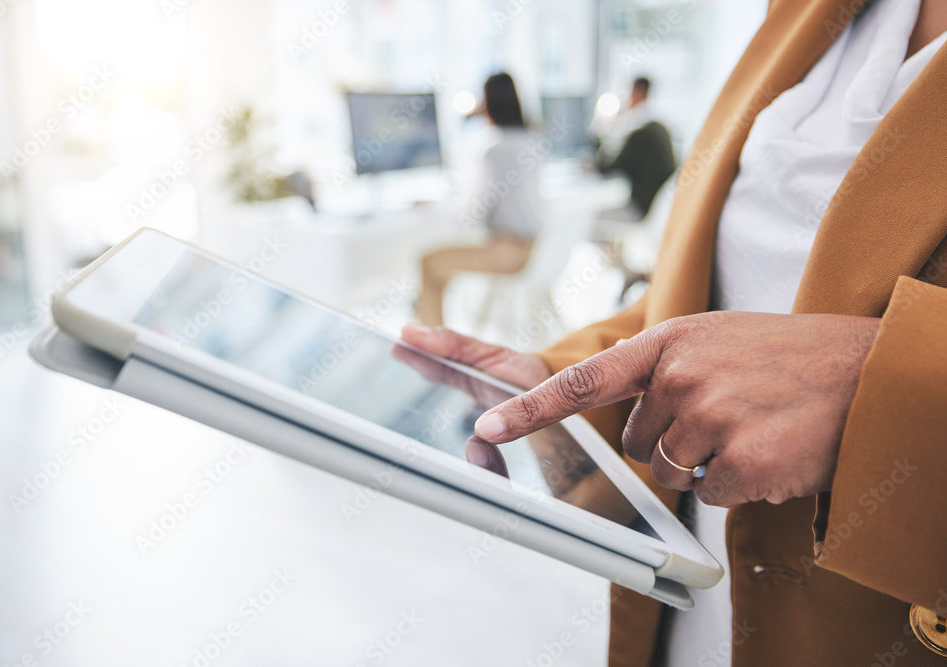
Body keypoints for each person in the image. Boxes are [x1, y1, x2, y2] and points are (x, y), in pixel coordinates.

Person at [403, 0, 947, 664]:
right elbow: (716, 288)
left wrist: (883, 383)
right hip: (696, 615)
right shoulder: (811, 13)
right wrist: (569, 382)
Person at [416, 73, 544, 327]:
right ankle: (438, 334)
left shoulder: (493, 150)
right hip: (535, 248)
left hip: (509, 252)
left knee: (429, 263)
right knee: (442, 268)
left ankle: (433, 346)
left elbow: (469, 216)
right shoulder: (531, 141)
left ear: (489, 102)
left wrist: (428, 208)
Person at [594, 77, 676, 222]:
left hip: (641, 210)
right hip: (655, 209)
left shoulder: (641, 133)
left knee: (588, 218)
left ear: (638, 93)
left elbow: (609, 168)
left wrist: (601, 128)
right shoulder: (658, 127)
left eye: (628, 92)